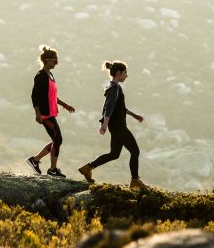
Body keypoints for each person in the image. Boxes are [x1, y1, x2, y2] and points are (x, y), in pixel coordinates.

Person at [78, 60, 147, 188]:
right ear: (118, 73)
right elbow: (109, 107)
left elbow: (120, 108)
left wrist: (134, 115)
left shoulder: (115, 88)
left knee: (114, 154)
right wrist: (104, 123)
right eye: (125, 73)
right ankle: (135, 180)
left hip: (116, 127)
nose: (127, 75)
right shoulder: (114, 89)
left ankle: (88, 168)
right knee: (135, 151)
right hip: (119, 127)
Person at [26, 45, 75, 177]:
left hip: (51, 112)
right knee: (58, 140)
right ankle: (52, 169)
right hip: (45, 114)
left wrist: (65, 105)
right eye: (55, 60)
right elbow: (34, 96)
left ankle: (35, 160)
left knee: (57, 140)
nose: (57, 62)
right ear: (47, 60)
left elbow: (52, 96)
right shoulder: (40, 76)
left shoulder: (50, 75)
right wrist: (37, 114)